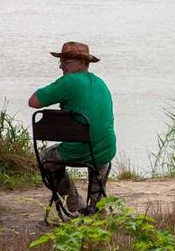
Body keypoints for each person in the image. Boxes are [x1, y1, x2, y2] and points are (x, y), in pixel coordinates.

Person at [28, 41, 116, 215]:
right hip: (105, 149)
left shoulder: (68, 82)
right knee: (99, 157)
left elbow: (33, 102)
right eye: (61, 61)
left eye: (66, 62)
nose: (61, 66)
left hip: (79, 149)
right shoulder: (101, 83)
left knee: (48, 158)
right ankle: (96, 206)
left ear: (83, 63)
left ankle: (75, 202)